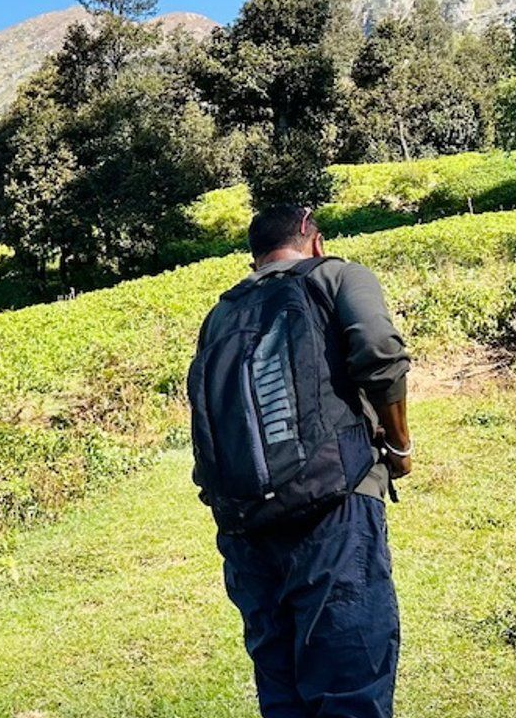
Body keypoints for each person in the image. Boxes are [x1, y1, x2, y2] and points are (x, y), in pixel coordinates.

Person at [190, 205, 414, 718]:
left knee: (284, 692)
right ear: (313, 240)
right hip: (333, 507)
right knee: (349, 682)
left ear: (256, 257)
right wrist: (399, 447)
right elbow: (379, 352)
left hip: (248, 529)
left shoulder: (222, 313)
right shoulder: (336, 275)